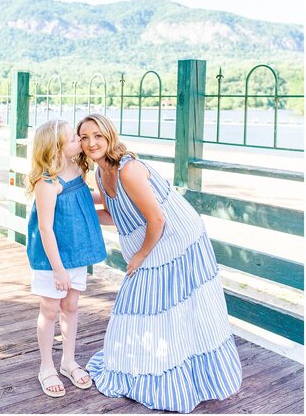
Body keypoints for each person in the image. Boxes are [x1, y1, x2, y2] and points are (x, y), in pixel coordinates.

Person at [77, 114, 242, 413]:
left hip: (177, 239)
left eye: (98, 136)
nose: (91, 143)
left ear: (109, 136)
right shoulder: (101, 175)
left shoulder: (129, 170)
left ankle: (183, 375)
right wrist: (75, 208)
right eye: (85, 137)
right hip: (153, 239)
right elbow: (116, 216)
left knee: (170, 306)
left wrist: (139, 256)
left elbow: (157, 219)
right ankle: (150, 364)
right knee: (145, 306)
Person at [26, 119, 106, 398]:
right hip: (53, 259)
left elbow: (84, 197)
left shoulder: (76, 167)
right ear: (57, 148)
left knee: (71, 305)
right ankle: (46, 366)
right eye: (74, 138)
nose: (80, 142)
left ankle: (68, 360)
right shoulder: (47, 182)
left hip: (76, 253)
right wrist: (58, 270)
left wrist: (112, 198)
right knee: (49, 308)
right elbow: (45, 228)